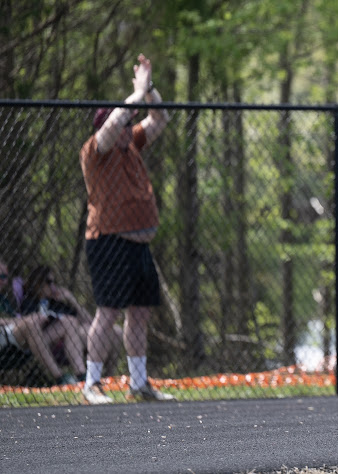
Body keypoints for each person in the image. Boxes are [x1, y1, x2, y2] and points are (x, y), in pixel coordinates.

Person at [79, 53, 173, 404]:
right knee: (108, 313)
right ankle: (92, 384)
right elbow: (114, 122)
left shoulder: (130, 144)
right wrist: (134, 92)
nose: (126, 129)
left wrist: (149, 90)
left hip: (139, 244)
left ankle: (138, 384)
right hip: (109, 241)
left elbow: (160, 118)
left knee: (140, 313)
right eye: (121, 125)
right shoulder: (95, 151)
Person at [20, 265, 123, 375]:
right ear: (37, 282)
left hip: (73, 339)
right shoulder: (29, 302)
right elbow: (31, 328)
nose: (53, 286)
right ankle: (83, 375)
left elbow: (92, 323)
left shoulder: (57, 302)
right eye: (48, 282)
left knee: (116, 331)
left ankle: (108, 377)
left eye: (54, 282)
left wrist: (72, 300)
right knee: (71, 323)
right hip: (49, 341)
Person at [1, 259, 86, 385]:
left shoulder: (7, 297)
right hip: (5, 338)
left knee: (69, 321)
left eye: (5, 277)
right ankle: (61, 378)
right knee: (31, 322)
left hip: (23, 337)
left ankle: (82, 376)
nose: (5, 281)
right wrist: (28, 319)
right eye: (1, 276)